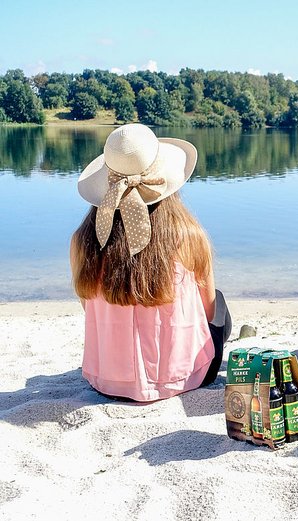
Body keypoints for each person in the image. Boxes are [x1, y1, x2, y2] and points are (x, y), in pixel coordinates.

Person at [70, 123, 231, 402]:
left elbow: (89, 306)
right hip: (186, 378)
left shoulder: (83, 241)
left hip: (106, 382)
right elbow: (208, 311)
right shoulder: (188, 236)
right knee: (219, 304)